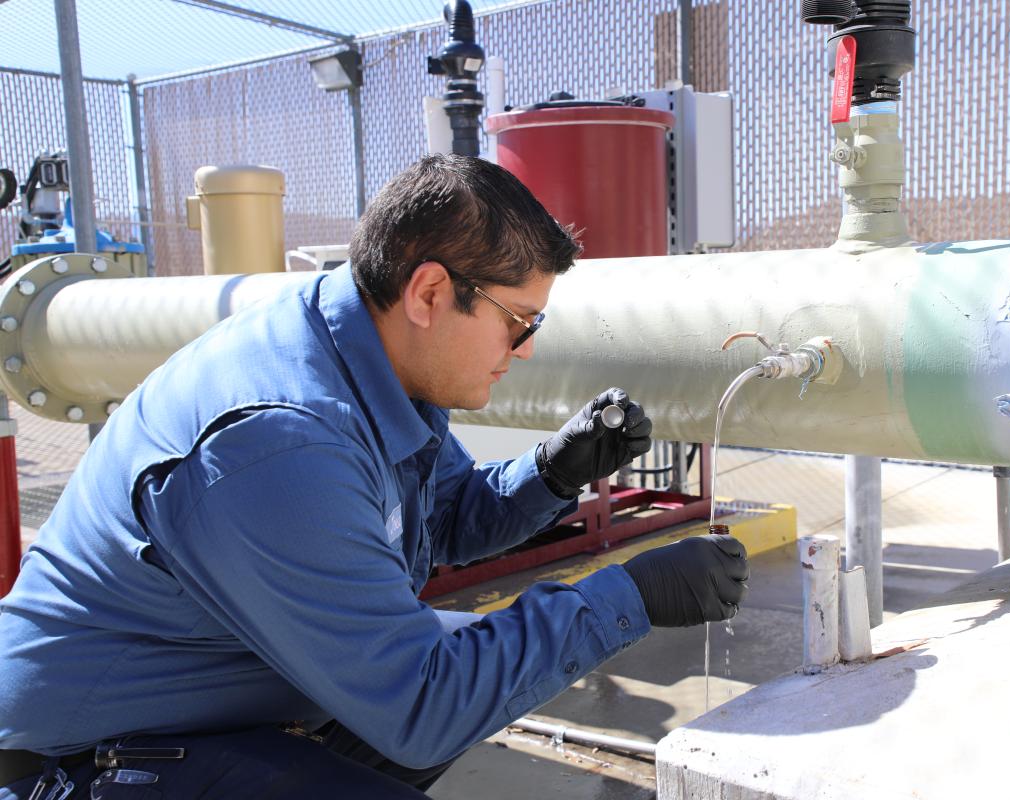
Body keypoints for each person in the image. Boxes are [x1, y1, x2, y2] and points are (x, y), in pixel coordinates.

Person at [0, 155, 748, 799]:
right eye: (519, 321)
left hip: (209, 706)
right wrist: (632, 596)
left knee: (488, 675)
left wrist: (551, 473)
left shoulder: (362, 350)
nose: (523, 348)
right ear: (428, 293)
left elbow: (445, 519)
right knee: (451, 695)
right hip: (79, 762)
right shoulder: (280, 442)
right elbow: (422, 705)